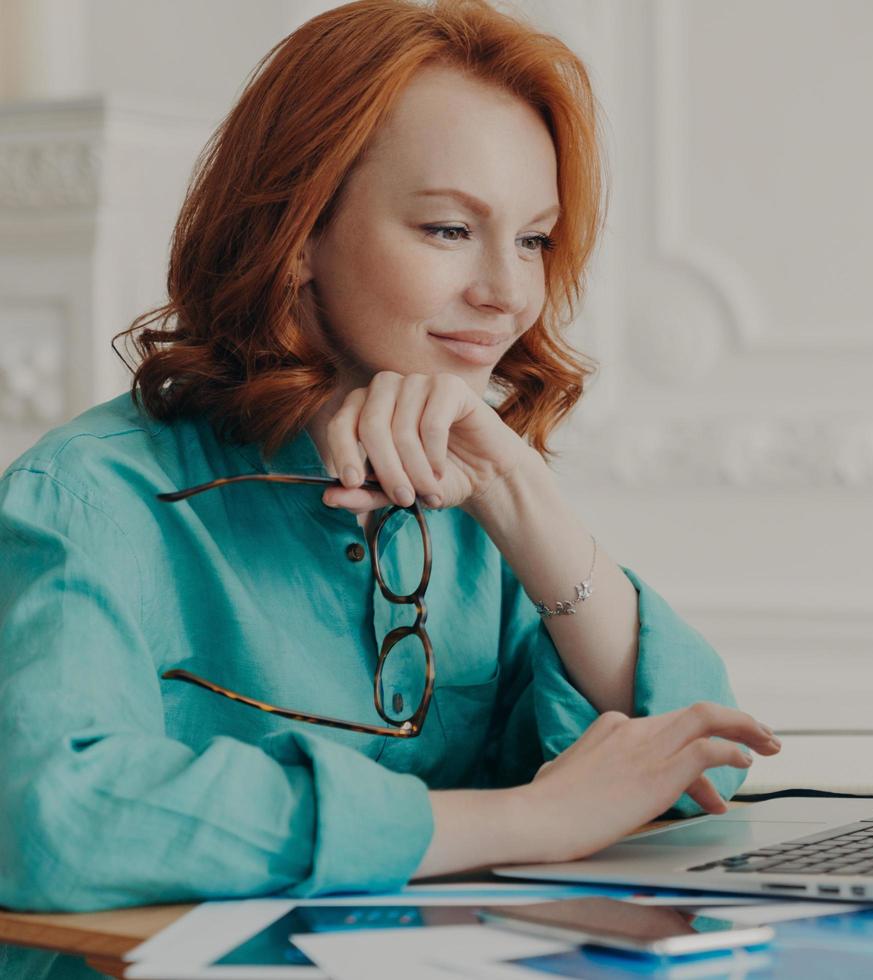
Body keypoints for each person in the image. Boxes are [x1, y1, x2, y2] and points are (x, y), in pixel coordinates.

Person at [0, 2, 779, 977]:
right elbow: (53, 822)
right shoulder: (89, 496)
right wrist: (520, 818)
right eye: (451, 227)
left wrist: (518, 495)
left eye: (534, 239)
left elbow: (703, 762)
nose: (507, 291)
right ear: (296, 234)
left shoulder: (465, 492)